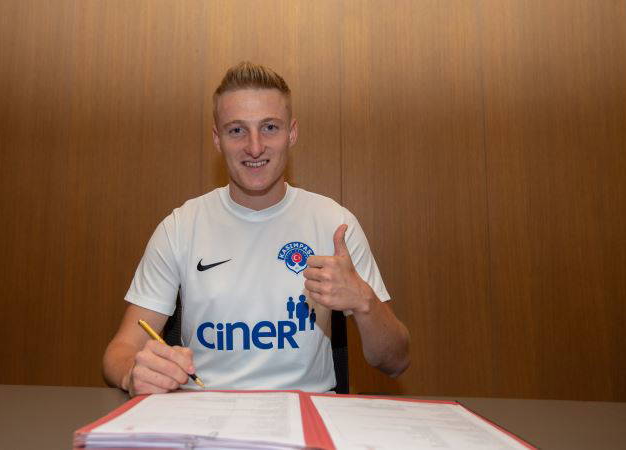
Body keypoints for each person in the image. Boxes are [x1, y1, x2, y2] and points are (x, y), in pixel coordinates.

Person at [103, 61, 410, 396]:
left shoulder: (335, 224)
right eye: (237, 130)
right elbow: (121, 350)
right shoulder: (179, 227)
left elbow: (396, 360)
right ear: (217, 139)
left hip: (306, 414)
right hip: (204, 414)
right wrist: (132, 374)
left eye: (269, 127)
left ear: (292, 133)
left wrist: (365, 301)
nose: (254, 147)